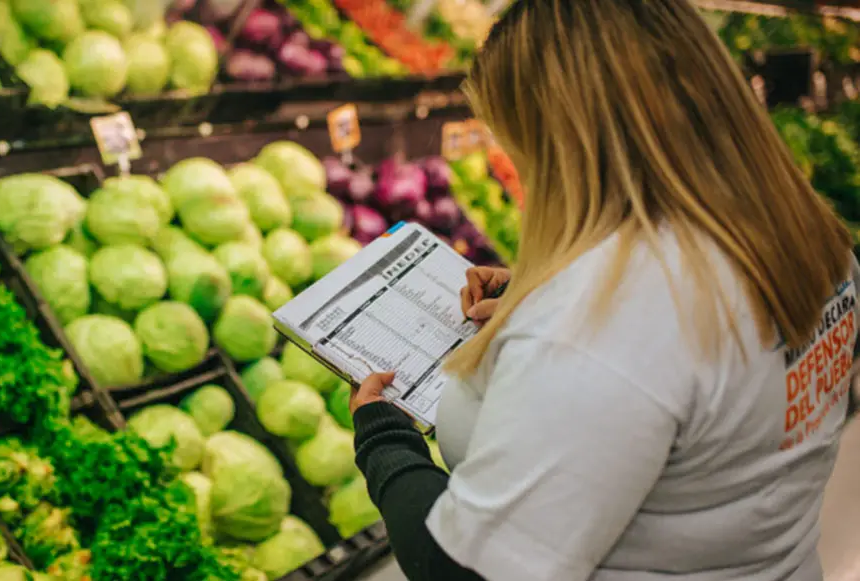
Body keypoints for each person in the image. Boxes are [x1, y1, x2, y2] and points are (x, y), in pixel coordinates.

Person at [348, 1, 860, 580]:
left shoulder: (607, 327)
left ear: (561, 147)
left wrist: (384, 439)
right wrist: (542, 297)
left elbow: (460, 569)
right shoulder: (812, 241)